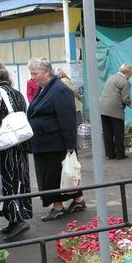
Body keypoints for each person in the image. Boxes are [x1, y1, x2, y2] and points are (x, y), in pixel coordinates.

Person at [25, 58, 86, 221]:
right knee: (61, 174)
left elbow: (67, 119)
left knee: (54, 175)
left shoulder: (59, 89)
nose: (32, 77)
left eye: (34, 74)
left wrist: (70, 145)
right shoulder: (44, 88)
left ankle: (57, 206)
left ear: (46, 72)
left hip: (54, 143)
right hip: (46, 143)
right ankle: (78, 200)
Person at [0, 62, 33, 241]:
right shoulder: (17, 93)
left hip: (5, 148)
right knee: (20, 181)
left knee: (7, 182)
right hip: (20, 144)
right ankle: (15, 219)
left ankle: (17, 221)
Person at [99, 63, 132, 160]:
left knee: (107, 132)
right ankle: (120, 154)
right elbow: (126, 99)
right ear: (127, 72)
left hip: (102, 108)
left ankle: (110, 154)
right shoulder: (125, 82)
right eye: (131, 72)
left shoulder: (111, 78)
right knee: (118, 132)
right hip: (115, 109)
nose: (131, 75)